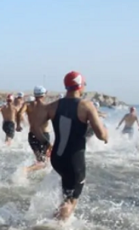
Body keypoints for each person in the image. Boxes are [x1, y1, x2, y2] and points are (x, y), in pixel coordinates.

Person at [32, 71, 107, 221]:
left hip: (57, 158)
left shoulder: (52, 106)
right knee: (72, 200)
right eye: (84, 84)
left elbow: (35, 127)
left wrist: (47, 143)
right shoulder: (86, 106)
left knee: (66, 195)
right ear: (79, 86)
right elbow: (101, 135)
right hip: (74, 160)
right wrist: (106, 135)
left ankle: (53, 221)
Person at [18, 86, 52, 173]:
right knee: (43, 161)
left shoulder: (27, 105)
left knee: (40, 159)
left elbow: (19, 113)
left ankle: (33, 172)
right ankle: (26, 170)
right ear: (44, 95)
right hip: (43, 135)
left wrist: (18, 125)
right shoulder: (46, 106)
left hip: (32, 135)